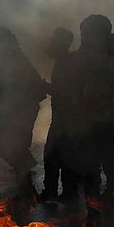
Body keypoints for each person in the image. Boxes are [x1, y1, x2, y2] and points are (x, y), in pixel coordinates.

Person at [0, 27, 47, 198]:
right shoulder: (7, 58)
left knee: (8, 148)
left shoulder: (15, 59)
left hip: (19, 113)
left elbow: (21, 89)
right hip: (11, 112)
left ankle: (26, 188)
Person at [67, 15, 114, 201]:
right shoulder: (83, 55)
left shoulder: (111, 55)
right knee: (89, 167)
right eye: (83, 32)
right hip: (88, 121)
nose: (83, 36)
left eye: (87, 33)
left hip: (109, 122)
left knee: (110, 165)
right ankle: (93, 211)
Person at [39, 28, 76, 202]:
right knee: (60, 156)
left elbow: (65, 92)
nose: (50, 43)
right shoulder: (64, 62)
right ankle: (65, 192)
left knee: (53, 155)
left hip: (65, 120)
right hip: (64, 119)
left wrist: (46, 87)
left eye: (54, 40)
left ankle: (56, 192)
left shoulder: (65, 63)